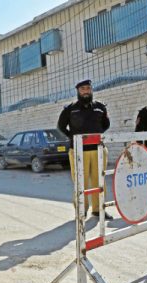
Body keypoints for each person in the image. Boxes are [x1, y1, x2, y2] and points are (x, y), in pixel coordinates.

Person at [57, 79, 113, 220]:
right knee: (80, 182)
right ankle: (81, 211)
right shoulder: (70, 109)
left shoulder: (100, 107)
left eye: (88, 88)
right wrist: (74, 138)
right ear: (78, 91)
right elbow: (61, 126)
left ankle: (98, 209)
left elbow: (106, 124)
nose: (86, 91)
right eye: (83, 89)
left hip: (98, 150)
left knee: (99, 180)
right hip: (78, 151)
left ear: (91, 90)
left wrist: (95, 135)